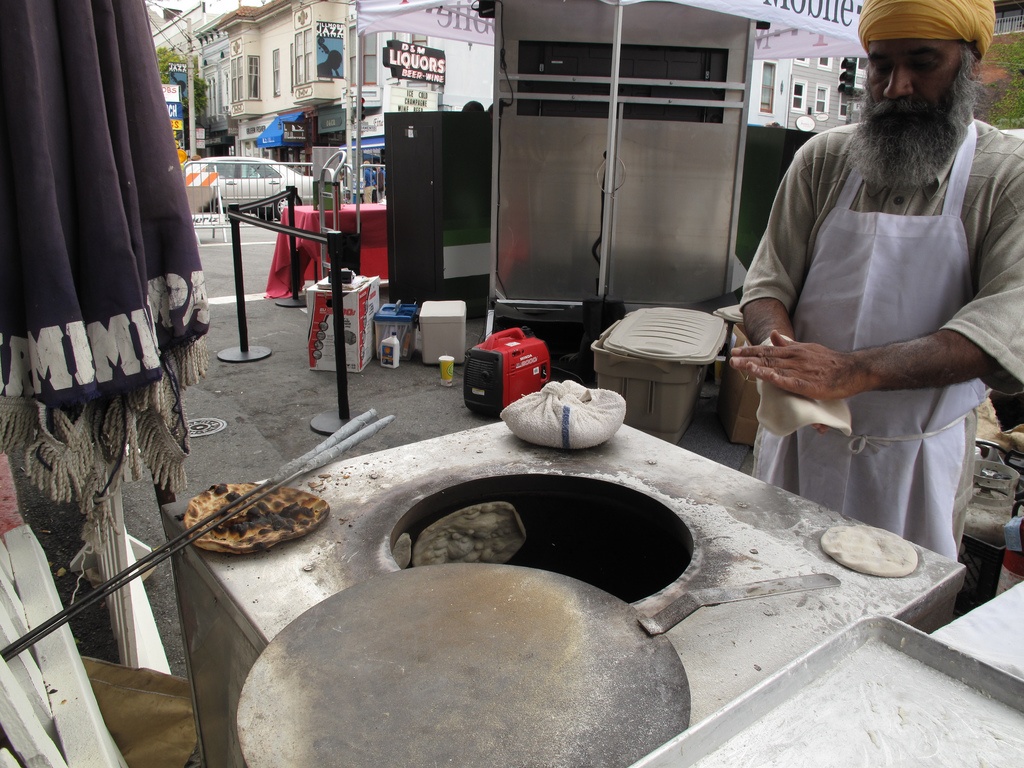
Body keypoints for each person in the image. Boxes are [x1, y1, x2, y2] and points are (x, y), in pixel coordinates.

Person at [730, 0, 1024, 562]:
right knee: (771, 590)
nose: (896, 87)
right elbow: (768, 284)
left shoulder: (1006, 177)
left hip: (913, 463)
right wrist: (782, 356)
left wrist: (851, 372)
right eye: (880, 65)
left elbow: (999, 332)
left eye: (922, 62)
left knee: (893, 614)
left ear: (971, 62)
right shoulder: (824, 158)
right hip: (799, 444)